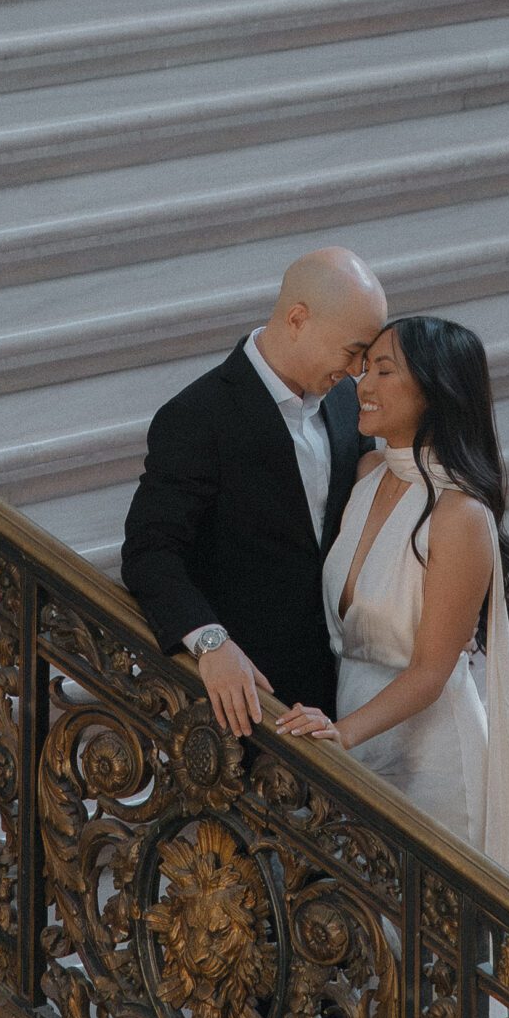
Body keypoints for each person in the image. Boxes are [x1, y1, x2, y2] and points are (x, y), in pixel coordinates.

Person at [275, 316, 509, 867]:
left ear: (438, 390)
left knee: (420, 934)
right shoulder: (367, 472)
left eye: (384, 371)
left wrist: (340, 734)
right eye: (364, 370)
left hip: (431, 754)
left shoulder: (460, 514)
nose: (363, 386)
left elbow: (431, 672)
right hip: (356, 728)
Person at [122, 247, 387, 735]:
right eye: (352, 352)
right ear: (298, 319)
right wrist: (211, 643)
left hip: (340, 692)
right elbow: (149, 552)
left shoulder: (349, 404)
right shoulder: (198, 417)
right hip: (247, 704)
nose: (356, 372)